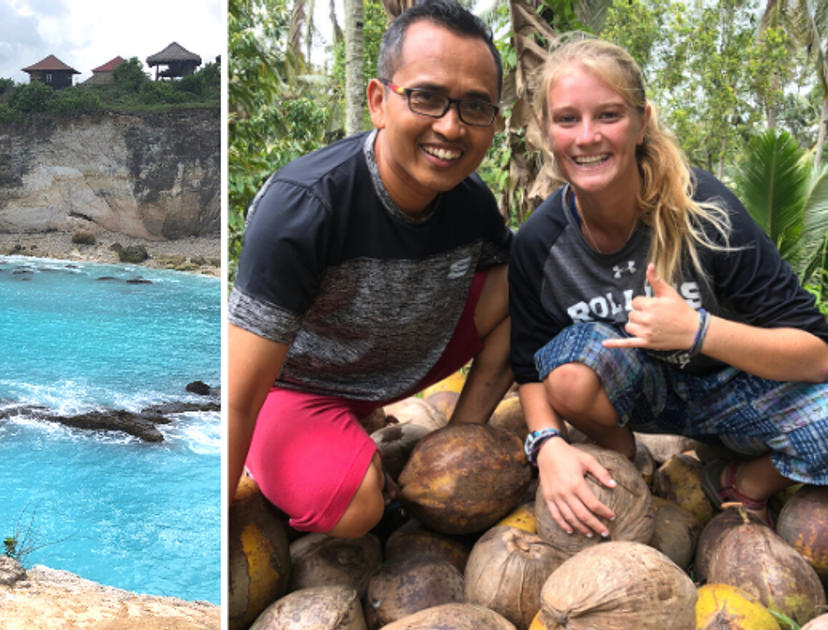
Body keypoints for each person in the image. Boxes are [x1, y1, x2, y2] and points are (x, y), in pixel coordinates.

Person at [509, 37, 828, 538]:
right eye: (567, 119)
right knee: (565, 372)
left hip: (736, 392)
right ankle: (624, 459)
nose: (587, 136)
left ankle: (742, 480)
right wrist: (548, 444)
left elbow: (816, 354)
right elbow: (529, 366)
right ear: (546, 132)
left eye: (609, 115)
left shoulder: (706, 211)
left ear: (641, 122)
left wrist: (699, 331)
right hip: (642, 398)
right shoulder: (539, 243)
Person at [229, 0, 515, 538]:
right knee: (356, 507)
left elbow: (517, 298)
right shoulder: (304, 207)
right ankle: (299, 450)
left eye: (475, 107)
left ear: (494, 123)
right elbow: (239, 396)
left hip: (399, 361)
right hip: (296, 387)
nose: (451, 127)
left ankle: (453, 448)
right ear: (379, 101)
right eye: (427, 98)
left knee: (531, 281)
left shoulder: (472, 203)